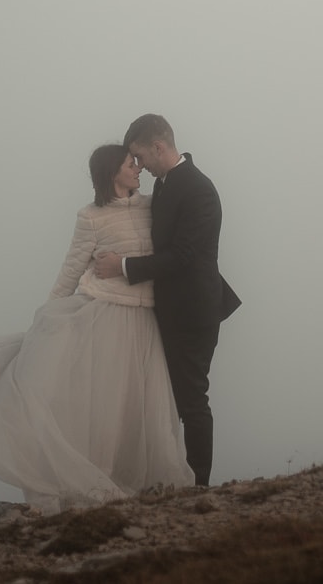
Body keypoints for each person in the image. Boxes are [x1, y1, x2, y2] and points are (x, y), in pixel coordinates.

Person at [0, 144, 194, 512]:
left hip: (145, 322)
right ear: (113, 173)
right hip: (105, 320)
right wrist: (47, 317)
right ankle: (95, 490)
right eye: (130, 163)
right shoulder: (91, 217)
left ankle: (146, 490)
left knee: (139, 408)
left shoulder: (150, 206)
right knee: (105, 408)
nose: (138, 168)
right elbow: (70, 272)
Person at [92, 114, 240, 487]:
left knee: (191, 399)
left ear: (158, 147)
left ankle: (199, 487)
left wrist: (122, 266)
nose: (138, 165)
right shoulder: (165, 184)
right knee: (168, 399)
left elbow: (184, 255)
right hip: (170, 309)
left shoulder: (198, 188)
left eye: (140, 157)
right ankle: (171, 479)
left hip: (194, 310)